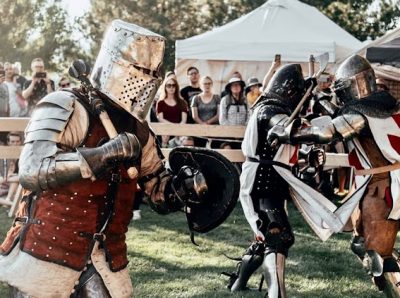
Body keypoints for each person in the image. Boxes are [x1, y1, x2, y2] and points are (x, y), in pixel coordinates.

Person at [0, 20, 237, 298]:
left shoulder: (138, 129)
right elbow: (32, 170)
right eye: (139, 74)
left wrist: (181, 190)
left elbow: (155, 188)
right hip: (50, 247)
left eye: (151, 77)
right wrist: (100, 155)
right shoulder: (66, 105)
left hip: (106, 255)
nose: (142, 85)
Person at [267, 55, 400, 295]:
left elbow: (328, 132)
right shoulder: (378, 105)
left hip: (384, 187)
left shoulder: (365, 113)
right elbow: (339, 115)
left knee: (378, 254)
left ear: (351, 85)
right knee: (361, 244)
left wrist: (287, 133)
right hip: (372, 184)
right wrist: (318, 96)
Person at [224, 64, 313, 298]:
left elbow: (279, 150)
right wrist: (326, 130)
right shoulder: (268, 110)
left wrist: (306, 156)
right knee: (277, 235)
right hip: (261, 181)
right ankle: (277, 294)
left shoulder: (270, 107)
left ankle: (238, 283)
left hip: (271, 179)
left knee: (266, 236)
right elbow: (286, 130)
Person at [156, 77, 188, 147]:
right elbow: (160, 119)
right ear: (165, 87)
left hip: (179, 133)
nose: (171, 87)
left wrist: (177, 129)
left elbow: (184, 120)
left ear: (176, 87)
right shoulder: (160, 103)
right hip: (165, 133)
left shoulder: (182, 102)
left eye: (174, 85)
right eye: (169, 85)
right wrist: (172, 127)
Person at [191, 76, 221, 147]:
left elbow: (218, 114)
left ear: (212, 84)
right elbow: (194, 116)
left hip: (214, 129)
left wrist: (207, 123)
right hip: (199, 129)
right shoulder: (196, 98)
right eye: (205, 84)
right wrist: (203, 124)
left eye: (209, 83)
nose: (207, 85)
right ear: (201, 85)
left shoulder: (217, 97)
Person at [0, 132, 22, 202]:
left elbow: (23, 176)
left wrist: (6, 178)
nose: (15, 144)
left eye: (17, 141)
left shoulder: (24, 155)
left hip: (17, 182)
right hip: (5, 182)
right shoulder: (4, 154)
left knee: (16, 182)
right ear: (8, 142)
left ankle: (8, 200)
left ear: (20, 142)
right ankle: (8, 201)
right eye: (12, 141)